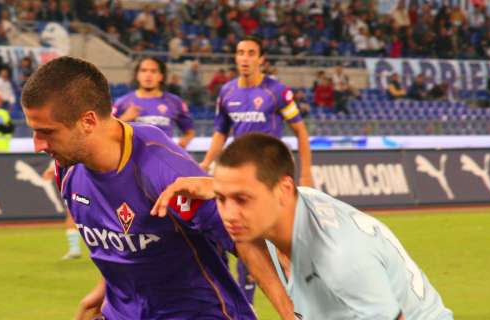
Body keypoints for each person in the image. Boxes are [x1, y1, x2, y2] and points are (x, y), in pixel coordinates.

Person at [21, 57, 294, 319]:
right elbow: (120, 235)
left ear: (88, 122)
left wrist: (290, 314)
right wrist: (105, 289)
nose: (38, 145)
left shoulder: (163, 171)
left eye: (46, 132)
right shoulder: (67, 166)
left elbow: (247, 242)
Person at [152, 133, 455, 320]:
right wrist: (209, 186)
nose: (229, 214)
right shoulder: (287, 205)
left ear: (282, 190)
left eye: (242, 199)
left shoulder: (340, 259)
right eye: (221, 198)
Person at [199, 35, 313, 304]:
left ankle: (304, 298)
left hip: (269, 177)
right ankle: (245, 304)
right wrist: (205, 163)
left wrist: (307, 172)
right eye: (240, 52)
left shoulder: (277, 91)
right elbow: (220, 133)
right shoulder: (227, 92)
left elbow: (301, 131)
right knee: (243, 238)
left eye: (251, 52)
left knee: (283, 241)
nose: (245, 58)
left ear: (261, 59)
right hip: (240, 179)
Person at [112, 57, 195, 148]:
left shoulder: (175, 102)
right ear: (137, 75)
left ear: (161, 76)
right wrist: (124, 118)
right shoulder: (122, 102)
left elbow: (189, 131)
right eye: (144, 71)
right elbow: (106, 132)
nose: (148, 75)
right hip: (132, 160)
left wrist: (182, 144)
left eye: (153, 71)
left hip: (164, 159)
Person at [42, 161, 82, 260]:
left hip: (82, 190)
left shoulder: (70, 153)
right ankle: (74, 249)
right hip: (86, 190)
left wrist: (50, 170)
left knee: (72, 215)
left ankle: (75, 249)